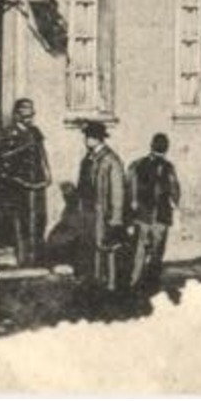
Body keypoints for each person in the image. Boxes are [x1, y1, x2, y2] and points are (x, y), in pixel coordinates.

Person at [0, 98, 51, 268]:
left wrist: (48, 174)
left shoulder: (35, 132)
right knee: (21, 222)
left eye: (31, 115)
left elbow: (42, 154)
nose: (30, 119)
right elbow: (4, 159)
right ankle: (23, 258)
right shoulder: (9, 133)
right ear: (17, 115)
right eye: (25, 115)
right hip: (19, 185)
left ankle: (38, 257)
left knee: (39, 219)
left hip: (38, 183)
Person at [75, 121, 127, 296]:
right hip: (89, 212)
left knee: (106, 247)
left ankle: (110, 285)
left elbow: (118, 192)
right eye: (86, 136)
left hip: (104, 213)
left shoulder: (111, 160)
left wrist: (116, 218)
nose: (85, 140)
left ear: (96, 138)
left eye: (88, 136)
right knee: (92, 246)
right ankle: (96, 282)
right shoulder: (88, 159)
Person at [127, 133, 181, 294]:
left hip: (143, 217)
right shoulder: (168, 167)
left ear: (151, 145)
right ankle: (151, 285)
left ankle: (134, 284)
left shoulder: (137, 165)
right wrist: (173, 205)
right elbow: (175, 191)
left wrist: (132, 211)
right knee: (156, 253)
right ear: (167, 148)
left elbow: (130, 189)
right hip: (159, 218)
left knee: (139, 253)